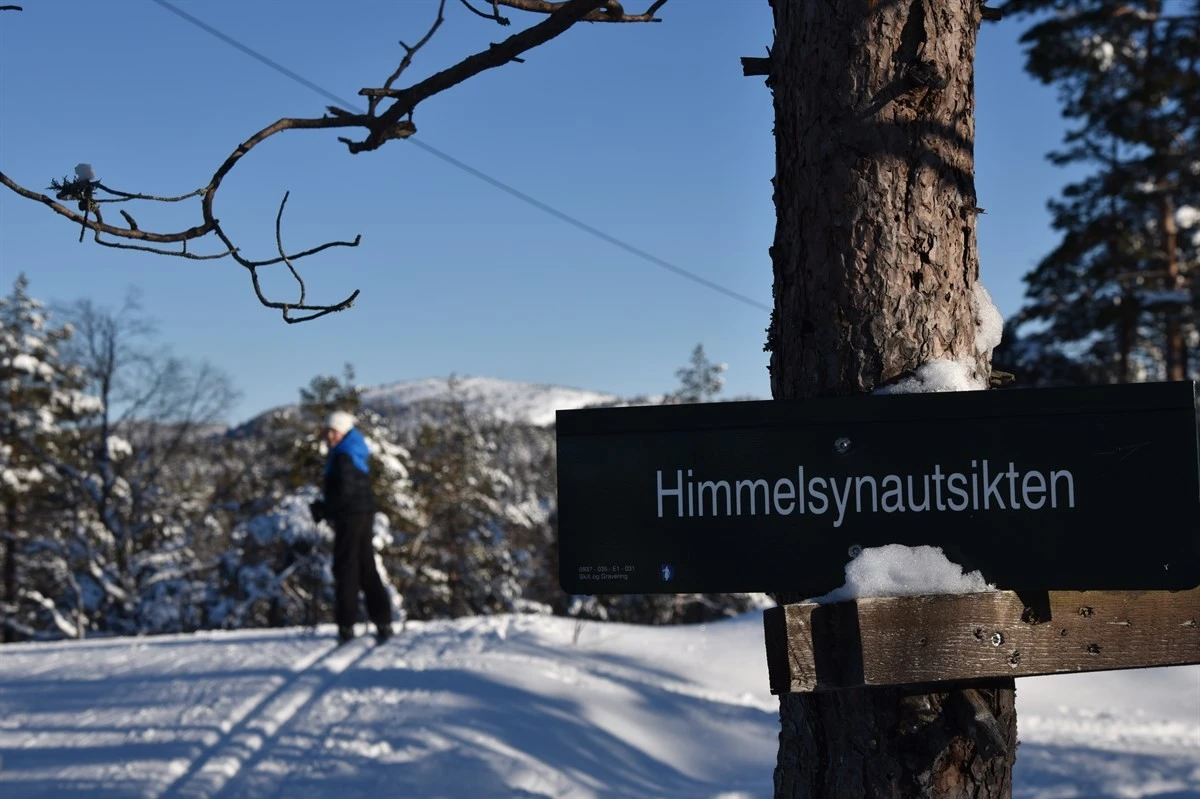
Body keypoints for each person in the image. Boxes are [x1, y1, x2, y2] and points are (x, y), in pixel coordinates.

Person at [310, 410, 393, 645]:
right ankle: (383, 621)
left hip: (350, 517)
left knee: (345, 568)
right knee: (366, 566)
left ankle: (346, 626)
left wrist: (324, 509)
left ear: (343, 431)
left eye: (333, 431)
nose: (329, 436)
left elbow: (344, 493)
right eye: (327, 431)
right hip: (363, 514)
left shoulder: (343, 455)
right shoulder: (354, 449)